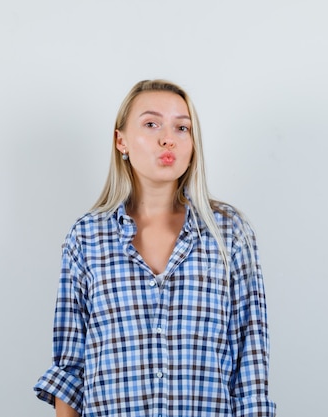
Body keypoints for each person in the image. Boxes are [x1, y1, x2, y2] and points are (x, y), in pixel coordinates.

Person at [34, 79, 276, 417]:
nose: (168, 138)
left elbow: (251, 365)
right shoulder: (87, 238)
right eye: (151, 124)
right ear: (122, 140)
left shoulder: (229, 233)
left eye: (182, 128)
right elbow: (70, 369)